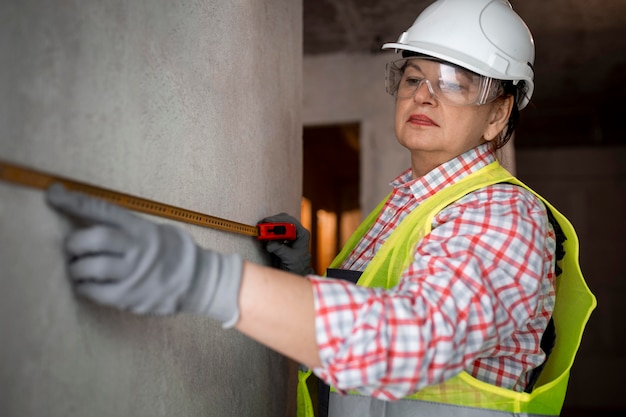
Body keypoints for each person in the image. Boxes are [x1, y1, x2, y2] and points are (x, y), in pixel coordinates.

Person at [45, 0, 595, 416]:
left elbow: (417, 338)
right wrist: (303, 278)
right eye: (412, 77)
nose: (423, 95)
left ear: (498, 116)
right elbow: (366, 330)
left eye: (455, 82)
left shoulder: (503, 215)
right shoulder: (408, 200)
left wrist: (206, 281)